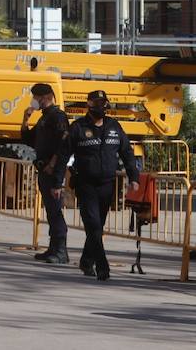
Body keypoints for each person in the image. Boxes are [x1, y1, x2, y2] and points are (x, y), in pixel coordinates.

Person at [67, 90, 139, 281]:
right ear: (89, 105)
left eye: (103, 102)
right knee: (93, 225)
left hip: (107, 185)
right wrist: (58, 181)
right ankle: (102, 266)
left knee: (97, 226)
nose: (101, 106)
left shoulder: (114, 127)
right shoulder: (78, 128)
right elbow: (63, 154)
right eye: (96, 103)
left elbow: (127, 153)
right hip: (85, 184)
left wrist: (134, 177)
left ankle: (85, 260)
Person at [21, 82, 71, 264]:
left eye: (37, 97)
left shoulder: (58, 117)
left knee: (55, 210)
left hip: (53, 171)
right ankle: (53, 248)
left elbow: (64, 145)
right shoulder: (44, 118)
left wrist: (53, 165)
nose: (34, 101)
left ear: (46, 97)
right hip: (43, 169)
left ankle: (61, 251)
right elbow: (28, 139)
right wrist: (25, 119)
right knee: (50, 210)